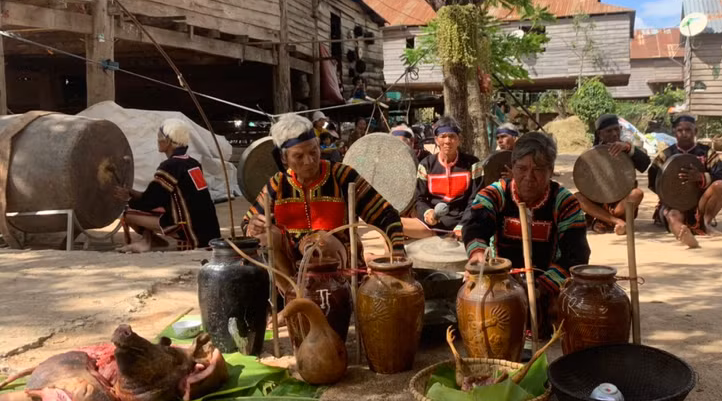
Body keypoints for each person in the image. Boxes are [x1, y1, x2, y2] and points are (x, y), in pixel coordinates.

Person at [242, 114, 405, 288]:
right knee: (265, 235)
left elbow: (386, 216)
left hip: (339, 272)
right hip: (290, 274)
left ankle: (333, 299)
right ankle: (293, 297)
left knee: (320, 243)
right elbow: (247, 224)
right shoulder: (278, 184)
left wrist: (397, 253)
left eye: (314, 151)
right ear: (284, 159)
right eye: (298, 156)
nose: (309, 161)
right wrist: (252, 226)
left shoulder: (342, 176)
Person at [461, 132, 590, 336]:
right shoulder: (495, 193)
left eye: (538, 170)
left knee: (566, 313)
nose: (529, 177)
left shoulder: (565, 202)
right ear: (512, 168)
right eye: (521, 169)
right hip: (501, 281)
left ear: (551, 171)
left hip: (546, 285)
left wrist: (539, 288)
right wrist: (477, 254)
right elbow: (475, 223)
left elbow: (576, 254)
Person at [116, 119, 220, 253]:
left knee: (127, 214)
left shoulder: (170, 166)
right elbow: (157, 195)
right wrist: (130, 191)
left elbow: (150, 202)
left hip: (190, 228)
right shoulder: (192, 163)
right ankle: (151, 240)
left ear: (169, 141)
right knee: (147, 207)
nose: (158, 141)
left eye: (160, 138)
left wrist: (127, 199)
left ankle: (147, 242)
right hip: (208, 230)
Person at [648, 114, 722, 248]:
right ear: (674, 132)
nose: (684, 134)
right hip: (673, 204)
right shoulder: (666, 155)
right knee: (673, 216)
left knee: (720, 186)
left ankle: (706, 223)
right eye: (680, 130)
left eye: (688, 130)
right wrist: (671, 195)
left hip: (700, 201)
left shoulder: (706, 152)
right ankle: (684, 234)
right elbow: (653, 181)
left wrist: (701, 177)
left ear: (695, 132)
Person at [403, 116, 482, 239]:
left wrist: (463, 225)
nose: (447, 141)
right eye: (443, 136)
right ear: (436, 140)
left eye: (452, 136)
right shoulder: (426, 164)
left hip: (464, 223)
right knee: (393, 223)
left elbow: (476, 200)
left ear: (459, 139)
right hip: (432, 225)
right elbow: (420, 198)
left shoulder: (473, 164)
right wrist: (427, 213)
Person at [575, 113, 649, 236]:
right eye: (609, 131)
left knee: (637, 194)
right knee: (577, 197)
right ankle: (616, 221)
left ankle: (602, 220)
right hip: (599, 202)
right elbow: (584, 182)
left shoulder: (627, 147)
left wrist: (627, 148)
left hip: (620, 205)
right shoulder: (592, 153)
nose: (614, 134)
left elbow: (645, 164)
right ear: (600, 134)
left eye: (616, 129)